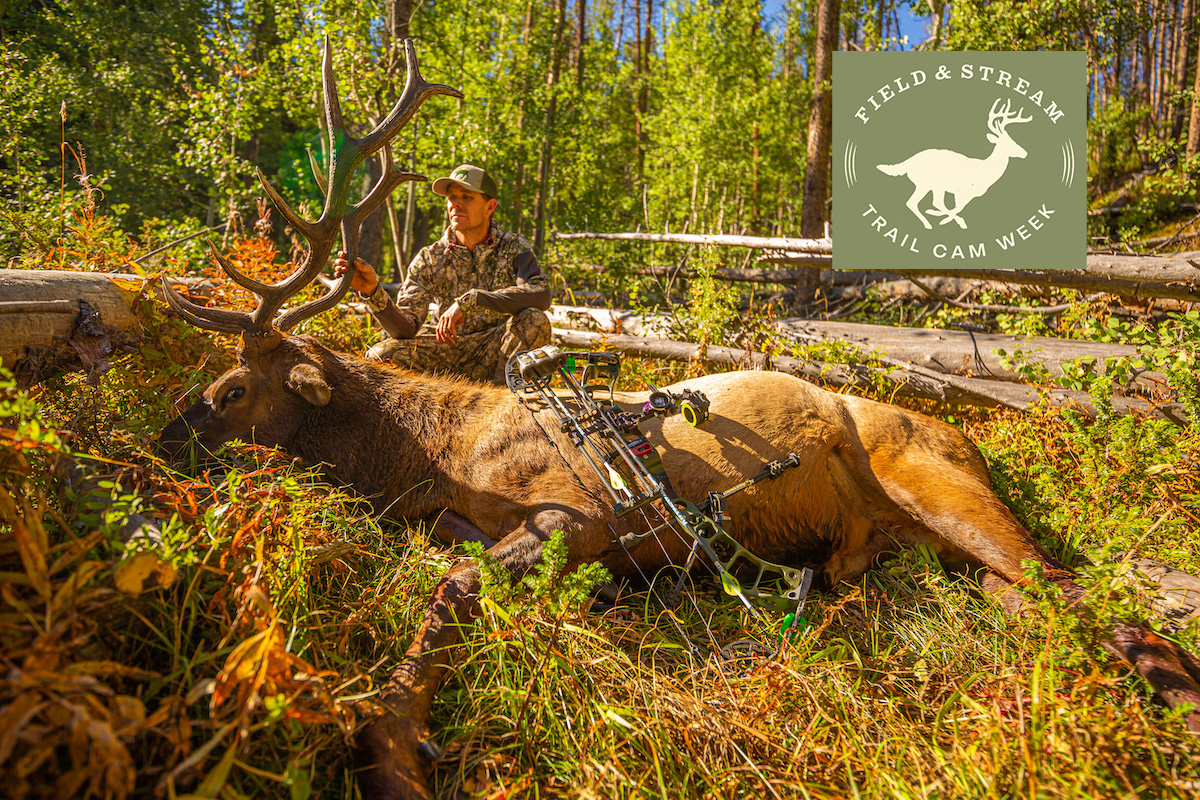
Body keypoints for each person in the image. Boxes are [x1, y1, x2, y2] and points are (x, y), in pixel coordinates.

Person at [333, 164, 551, 384]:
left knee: (535, 319)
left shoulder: (513, 247)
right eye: (452, 197)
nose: (456, 204)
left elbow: (539, 293)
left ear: (489, 206)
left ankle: (505, 401)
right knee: (381, 355)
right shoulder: (429, 257)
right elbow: (406, 329)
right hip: (446, 352)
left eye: (467, 197)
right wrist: (372, 292)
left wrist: (474, 299)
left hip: (497, 353)